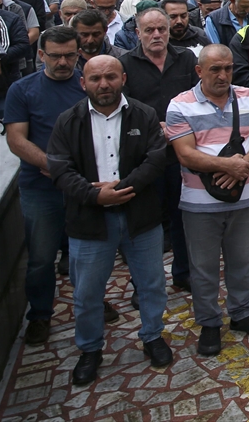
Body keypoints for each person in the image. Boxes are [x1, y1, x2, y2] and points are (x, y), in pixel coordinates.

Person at [46, 55, 171, 386]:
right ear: (82, 82)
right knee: (87, 293)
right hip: (89, 220)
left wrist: (123, 188)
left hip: (139, 215)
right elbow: (59, 167)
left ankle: (152, 335)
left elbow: (156, 157)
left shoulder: (143, 115)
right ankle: (90, 349)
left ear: (123, 78)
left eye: (111, 77)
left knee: (151, 283)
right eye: (96, 78)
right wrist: (94, 195)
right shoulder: (68, 121)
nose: (104, 84)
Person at [166, 45, 249, 356]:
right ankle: (210, 321)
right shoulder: (180, 105)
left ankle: (240, 313)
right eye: (215, 69)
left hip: (245, 197)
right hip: (200, 203)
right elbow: (185, 153)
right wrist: (229, 166)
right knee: (204, 267)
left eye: (227, 68)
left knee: (241, 262)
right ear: (200, 71)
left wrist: (244, 167)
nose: (223, 75)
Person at [4, 27, 87, 346]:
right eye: (56, 56)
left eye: (70, 55)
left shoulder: (88, 83)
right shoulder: (22, 90)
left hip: (81, 186)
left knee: (87, 252)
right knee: (40, 256)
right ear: (41, 55)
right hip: (41, 187)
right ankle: (39, 314)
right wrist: (52, 166)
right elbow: (16, 139)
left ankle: (91, 301)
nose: (64, 62)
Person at [120, 7, 201, 292]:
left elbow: (197, 98)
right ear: (138, 32)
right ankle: (144, 282)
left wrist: (179, 129)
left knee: (184, 217)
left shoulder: (186, 58)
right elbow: (124, 108)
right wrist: (156, 128)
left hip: (182, 154)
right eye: (149, 30)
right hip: (144, 157)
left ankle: (184, 272)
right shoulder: (126, 65)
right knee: (146, 224)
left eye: (161, 29)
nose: (156, 35)